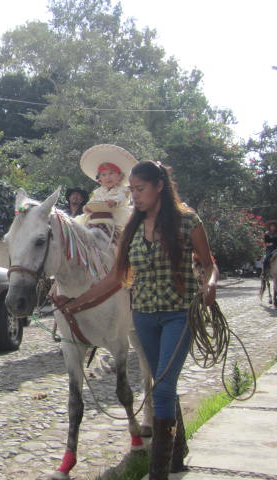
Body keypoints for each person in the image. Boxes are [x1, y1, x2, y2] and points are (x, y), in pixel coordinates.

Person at [61, 161, 218, 480]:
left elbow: (209, 263)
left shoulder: (188, 221)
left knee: (160, 386)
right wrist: (75, 303)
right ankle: (177, 453)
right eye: (131, 190)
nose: (135, 196)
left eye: (140, 189)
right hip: (144, 317)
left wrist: (210, 284)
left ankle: (157, 471)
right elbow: (116, 277)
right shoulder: (132, 225)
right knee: (165, 382)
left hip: (179, 314)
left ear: (159, 186)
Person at [75, 144, 138, 241]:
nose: (108, 177)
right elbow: (92, 201)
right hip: (97, 217)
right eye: (103, 175)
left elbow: (121, 198)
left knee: (123, 233)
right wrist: (88, 207)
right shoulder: (97, 191)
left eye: (111, 173)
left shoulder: (124, 189)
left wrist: (114, 202)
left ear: (120, 176)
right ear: (99, 179)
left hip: (116, 215)